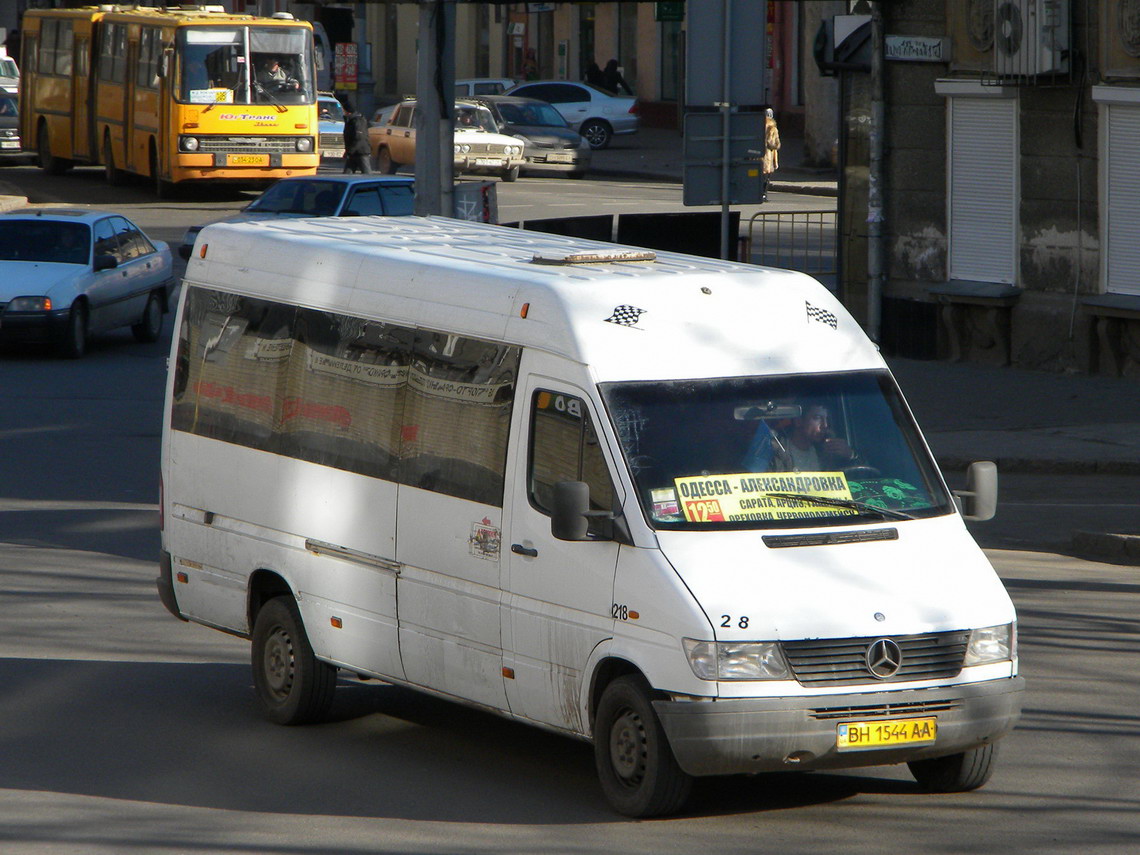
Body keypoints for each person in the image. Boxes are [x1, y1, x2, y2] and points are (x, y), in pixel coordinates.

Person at [742, 402, 857, 473]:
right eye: (817, 418)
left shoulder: (827, 450)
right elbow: (753, 486)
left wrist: (850, 455)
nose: (825, 425)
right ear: (798, 421)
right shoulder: (772, 448)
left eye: (827, 419)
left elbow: (862, 479)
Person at [341, 104, 372, 174]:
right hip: (353, 153)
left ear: (348, 111)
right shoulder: (350, 120)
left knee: (367, 175)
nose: (343, 111)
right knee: (347, 174)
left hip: (361, 152)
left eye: (344, 110)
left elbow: (359, 138)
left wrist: (350, 151)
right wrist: (348, 151)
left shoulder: (358, 121)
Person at [762, 106, 781, 202]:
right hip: (768, 155)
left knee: (758, 176)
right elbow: (775, 145)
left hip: (756, 155)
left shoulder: (757, 125)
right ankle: (764, 194)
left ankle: (758, 193)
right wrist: (776, 162)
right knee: (767, 176)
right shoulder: (772, 128)